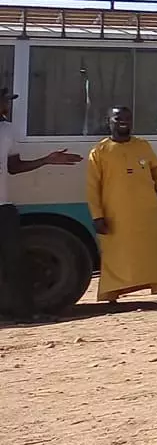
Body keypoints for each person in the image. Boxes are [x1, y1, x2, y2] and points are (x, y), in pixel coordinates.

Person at [1, 89, 82, 323]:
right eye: (5, 101)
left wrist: (46, 160)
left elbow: (13, 167)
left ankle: (26, 314)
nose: (8, 105)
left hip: (3, 206)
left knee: (15, 262)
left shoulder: (7, 129)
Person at [86, 107, 157, 306]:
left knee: (154, 252)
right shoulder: (99, 152)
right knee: (115, 255)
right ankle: (111, 297)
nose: (124, 122)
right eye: (118, 118)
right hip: (115, 214)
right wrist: (97, 216)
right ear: (108, 120)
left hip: (147, 212)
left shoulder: (143, 146)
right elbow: (92, 188)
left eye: (127, 118)